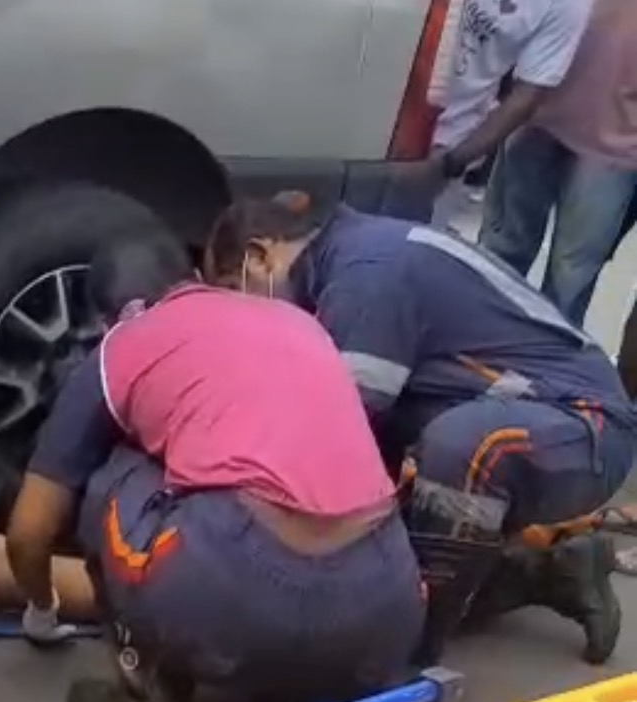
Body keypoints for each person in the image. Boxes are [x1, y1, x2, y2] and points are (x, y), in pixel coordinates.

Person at [5, 234, 425, 702]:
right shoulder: (296, 320)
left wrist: (42, 612)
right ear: (197, 280)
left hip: (238, 595)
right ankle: (344, 696)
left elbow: (29, 532)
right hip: (388, 595)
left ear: (111, 320)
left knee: (115, 470)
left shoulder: (124, 345)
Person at [222, 193, 636, 666]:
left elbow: (338, 420)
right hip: (507, 410)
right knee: (386, 563)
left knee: (462, 449)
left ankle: (412, 661)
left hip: (585, 421)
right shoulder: (345, 264)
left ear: (259, 256)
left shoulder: (368, 269)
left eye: (233, 289)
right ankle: (552, 573)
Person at [479, 0, 637, 326]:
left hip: (616, 144)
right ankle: (473, 338)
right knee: (498, 256)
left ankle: (542, 355)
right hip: (534, 110)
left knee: (570, 280)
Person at [423, 0, 591, 228]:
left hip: (445, 143)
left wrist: (450, 163)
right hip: (382, 109)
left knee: (406, 241)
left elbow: (527, 96)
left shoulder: (568, 5)